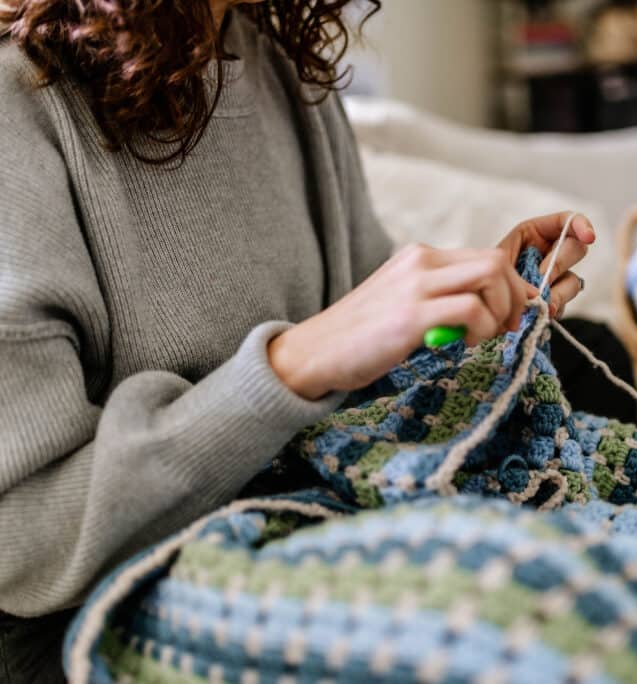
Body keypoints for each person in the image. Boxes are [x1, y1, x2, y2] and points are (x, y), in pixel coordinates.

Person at [0, 0, 596, 679]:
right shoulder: (17, 104)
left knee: (586, 373)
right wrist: (286, 369)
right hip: (85, 613)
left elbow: (368, 365)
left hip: (310, 517)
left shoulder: (285, 73)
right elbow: (22, 546)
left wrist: (463, 319)